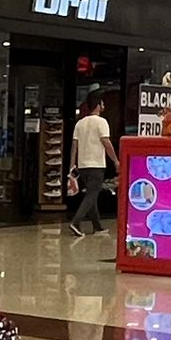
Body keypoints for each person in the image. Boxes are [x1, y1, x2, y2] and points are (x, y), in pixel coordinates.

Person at [67, 92, 118, 236]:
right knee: (92, 195)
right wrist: (115, 161)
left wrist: (72, 165)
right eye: (102, 103)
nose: (104, 106)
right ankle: (75, 222)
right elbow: (106, 143)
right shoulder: (102, 122)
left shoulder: (79, 123)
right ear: (98, 106)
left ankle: (97, 227)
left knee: (91, 195)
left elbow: (74, 146)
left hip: (82, 165)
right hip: (96, 165)